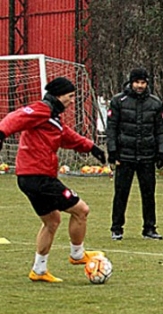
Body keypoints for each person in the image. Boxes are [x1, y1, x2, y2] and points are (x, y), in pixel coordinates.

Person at [0, 77, 106, 283]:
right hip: (39, 177)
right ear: (58, 95)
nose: (72, 100)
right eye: (70, 96)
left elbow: (67, 137)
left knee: (52, 221)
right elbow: (17, 116)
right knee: (81, 210)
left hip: (29, 178)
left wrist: (91, 147)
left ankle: (38, 270)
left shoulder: (53, 119)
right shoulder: (42, 110)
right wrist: (2, 132)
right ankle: (77, 254)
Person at [106, 68, 163, 241]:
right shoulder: (119, 101)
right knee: (121, 192)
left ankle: (149, 228)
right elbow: (112, 128)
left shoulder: (155, 103)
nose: (139, 86)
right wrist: (112, 151)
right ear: (131, 82)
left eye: (143, 82)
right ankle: (117, 228)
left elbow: (160, 130)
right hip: (125, 155)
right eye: (137, 82)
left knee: (148, 193)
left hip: (147, 155)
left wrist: (161, 152)